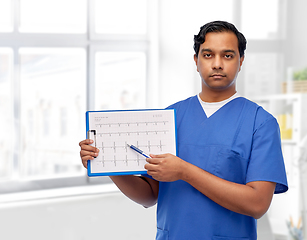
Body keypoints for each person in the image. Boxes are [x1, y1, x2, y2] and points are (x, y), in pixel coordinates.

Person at [79, 20, 288, 240]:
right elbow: (150, 195)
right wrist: (106, 163)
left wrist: (184, 172)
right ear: (196, 61)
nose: (217, 64)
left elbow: (257, 204)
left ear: (241, 61)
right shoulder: (168, 117)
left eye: (228, 55)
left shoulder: (260, 123)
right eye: (208, 55)